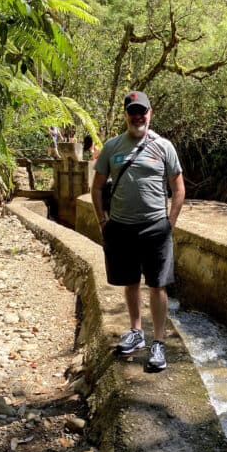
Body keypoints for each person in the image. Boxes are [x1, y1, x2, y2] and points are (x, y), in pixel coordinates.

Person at [91, 91, 185, 372]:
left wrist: (170, 222)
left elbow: (178, 188)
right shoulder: (112, 147)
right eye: (133, 111)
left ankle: (158, 342)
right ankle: (136, 331)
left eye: (142, 111)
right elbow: (96, 187)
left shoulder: (164, 146)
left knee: (157, 286)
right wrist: (102, 221)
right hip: (120, 227)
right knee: (130, 282)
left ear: (150, 113)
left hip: (155, 227)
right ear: (126, 115)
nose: (138, 116)